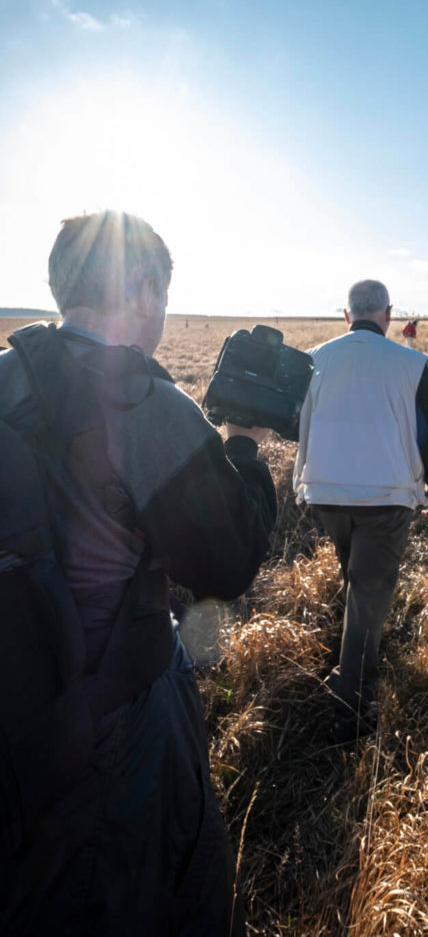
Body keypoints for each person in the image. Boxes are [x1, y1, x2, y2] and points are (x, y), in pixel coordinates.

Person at [0, 211, 277, 936]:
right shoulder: (146, 403)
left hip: (14, 703)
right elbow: (226, 562)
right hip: (116, 721)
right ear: (145, 287)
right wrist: (245, 442)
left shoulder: (4, 379)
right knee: (157, 890)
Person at [293, 280, 428, 744]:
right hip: (386, 498)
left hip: (325, 492)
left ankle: (354, 658)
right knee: (367, 593)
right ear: (387, 314)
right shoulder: (411, 362)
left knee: (356, 579)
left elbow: (300, 419)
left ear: (347, 316)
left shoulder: (315, 359)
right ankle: (351, 715)